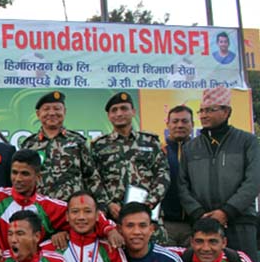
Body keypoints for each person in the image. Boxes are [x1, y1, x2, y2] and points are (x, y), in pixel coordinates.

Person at [179, 86, 260, 262]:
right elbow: (182, 185)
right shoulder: (190, 148)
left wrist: (226, 211)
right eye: (201, 110)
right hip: (203, 224)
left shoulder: (247, 141)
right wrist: (199, 213)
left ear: (226, 111)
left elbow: (254, 181)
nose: (204, 115)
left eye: (210, 110)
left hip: (240, 222)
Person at [91, 92, 169, 226]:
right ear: (109, 116)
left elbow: (163, 175)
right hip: (114, 214)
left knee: (151, 247)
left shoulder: (150, 142)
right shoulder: (99, 145)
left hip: (147, 213)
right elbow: (93, 178)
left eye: (124, 108)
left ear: (133, 112)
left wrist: (147, 204)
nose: (119, 113)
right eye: (114, 110)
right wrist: (107, 204)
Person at [21, 91, 106, 204]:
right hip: (39, 208)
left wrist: (101, 205)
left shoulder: (77, 141)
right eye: (46, 109)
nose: (52, 113)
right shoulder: (29, 145)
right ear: (38, 114)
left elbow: (91, 176)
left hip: (72, 209)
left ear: (64, 112)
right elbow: (22, 178)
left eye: (57, 109)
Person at [161, 105, 195, 246]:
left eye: (184, 121)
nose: (179, 125)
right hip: (166, 225)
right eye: (175, 121)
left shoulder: (201, 153)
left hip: (194, 224)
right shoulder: (159, 151)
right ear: (168, 124)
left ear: (192, 125)